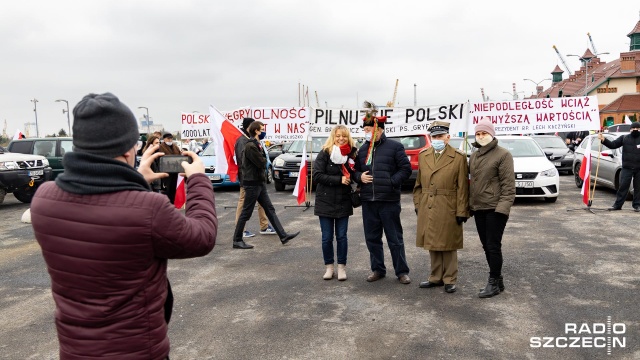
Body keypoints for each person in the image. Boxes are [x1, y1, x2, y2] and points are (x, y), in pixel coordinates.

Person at [29, 92, 218, 359]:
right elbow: (202, 236)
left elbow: (107, 208)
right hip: (137, 351)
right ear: (129, 149)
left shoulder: (44, 200)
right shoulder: (148, 208)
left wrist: (135, 180)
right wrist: (197, 179)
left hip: (75, 351)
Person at [354, 101, 412, 284]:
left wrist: (391, 182)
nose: (369, 132)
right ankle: (378, 269)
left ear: (380, 130)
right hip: (369, 201)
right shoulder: (362, 150)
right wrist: (358, 177)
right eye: (366, 130)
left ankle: (401, 271)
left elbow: (406, 169)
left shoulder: (395, 147)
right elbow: (353, 170)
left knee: (395, 239)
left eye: (372, 129)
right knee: (372, 238)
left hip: (389, 201)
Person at [413, 121, 469, 294]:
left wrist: (462, 210)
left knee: (448, 243)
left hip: (448, 204)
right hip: (428, 204)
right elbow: (418, 184)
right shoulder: (424, 155)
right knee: (432, 242)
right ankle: (435, 277)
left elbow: (463, 188)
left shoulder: (458, 157)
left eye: (440, 136)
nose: (437, 139)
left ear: (448, 137)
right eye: (434, 137)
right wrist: (418, 203)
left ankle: (450, 278)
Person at [232, 121, 299, 249]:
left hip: (259, 183)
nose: (264, 131)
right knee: (246, 212)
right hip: (252, 183)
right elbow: (262, 162)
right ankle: (237, 239)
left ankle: (283, 235)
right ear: (256, 131)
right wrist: (264, 158)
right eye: (262, 129)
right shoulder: (250, 146)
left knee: (270, 209)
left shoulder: (256, 144)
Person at [469, 118, 515, 298]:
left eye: (484, 133)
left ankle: (493, 281)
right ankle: (499, 280)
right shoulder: (474, 155)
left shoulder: (503, 155)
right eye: (478, 134)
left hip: (495, 209)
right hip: (479, 207)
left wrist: (502, 209)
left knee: (493, 245)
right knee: (486, 246)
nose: (481, 137)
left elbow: (508, 186)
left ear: (492, 134)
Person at [313, 125, 358, 281]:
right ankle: (329, 267)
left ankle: (341, 267)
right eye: (338, 136)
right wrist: (339, 179)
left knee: (342, 237)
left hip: (343, 201)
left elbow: (355, 172)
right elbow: (317, 175)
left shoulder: (352, 154)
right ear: (333, 136)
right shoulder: (325, 153)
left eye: (344, 136)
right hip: (325, 201)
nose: (341, 139)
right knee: (326, 237)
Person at [234, 117, 277, 238]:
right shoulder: (243, 141)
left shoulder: (252, 140)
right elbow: (244, 161)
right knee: (243, 204)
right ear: (249, 127)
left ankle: (264, 226)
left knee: (262, 203)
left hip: (257, 179)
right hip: (247, 179)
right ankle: (240, 229)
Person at [598, 122, 640, 211]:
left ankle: (637, 205)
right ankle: (617, 205)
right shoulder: (624, 138)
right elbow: (613, 145)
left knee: (638, 188)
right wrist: (603, 140)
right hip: (627, 168)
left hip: (639, 168)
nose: (635, 130)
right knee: (623, 187)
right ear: (630, 129)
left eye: (637, 128)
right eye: (633, 128)